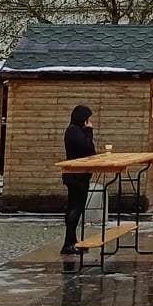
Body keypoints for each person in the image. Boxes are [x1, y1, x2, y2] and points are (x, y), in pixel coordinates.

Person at [60, 106, 97, 256]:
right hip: (76, 175)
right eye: (88, 119)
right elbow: (88, 147)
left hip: (77, 174)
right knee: (76, 207)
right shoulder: (74, 131)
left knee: (74, 206)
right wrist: (89, 131)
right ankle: (69, 243)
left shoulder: (74, 130)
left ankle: (71, 241)